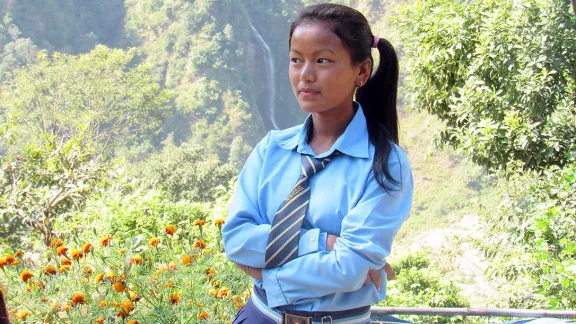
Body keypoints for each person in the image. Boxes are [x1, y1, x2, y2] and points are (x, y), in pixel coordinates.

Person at [222, 3, 413, 324]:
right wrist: (322, 242)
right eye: (296, 59)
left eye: (322, 60)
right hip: (257, 316)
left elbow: (347, 268)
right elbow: (237, 239)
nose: (305, 74)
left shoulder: (385, 164)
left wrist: (266, 274)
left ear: (362, 71)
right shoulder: (271, 150)